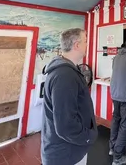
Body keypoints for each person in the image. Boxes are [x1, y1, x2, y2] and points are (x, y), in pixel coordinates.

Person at [41, 28, 98, 165]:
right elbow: (66, 125)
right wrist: (89, 137)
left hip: (67, 149)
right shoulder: (65, 76)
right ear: (77, 45)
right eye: (85, 41)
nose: (87, 45)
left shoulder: (67, 70)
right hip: (65, 154)